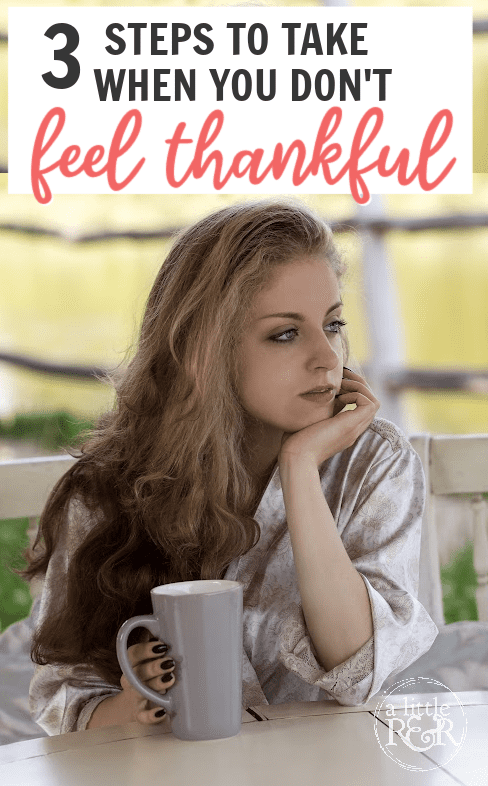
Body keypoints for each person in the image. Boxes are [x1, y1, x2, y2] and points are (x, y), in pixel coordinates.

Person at [21, 199, 438, 735]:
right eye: (285, 334)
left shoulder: (373, 463)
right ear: (204, 349)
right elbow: (63, 694)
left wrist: (299, 468)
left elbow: (359, 671)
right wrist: (133, 706)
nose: (328, 360)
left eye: (332, 325)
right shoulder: (104, 489)